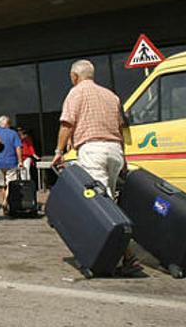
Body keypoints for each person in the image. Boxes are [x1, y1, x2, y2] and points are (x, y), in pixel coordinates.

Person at [52, 59, 140, 275]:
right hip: (114, 152)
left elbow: (67, 124)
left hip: (94, 150)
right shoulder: (111, 96)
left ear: (75, 76)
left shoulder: (76, 93)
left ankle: (124, 257)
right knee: (109, 200)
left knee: (101, 205)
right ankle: (122, 255)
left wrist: (58, 151)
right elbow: (121, 129)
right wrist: (124, 159)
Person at [0, 115, 23, 214]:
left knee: (3, 185)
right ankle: (6, 202)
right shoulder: (13, 133)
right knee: (10, 184)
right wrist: (20, 161)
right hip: (11, 162)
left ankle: (5, 204)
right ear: (7, 124)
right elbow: (18, 147)